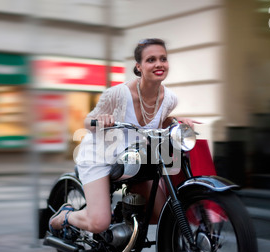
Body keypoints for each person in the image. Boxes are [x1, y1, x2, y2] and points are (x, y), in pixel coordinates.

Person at [49, 38, 196, 236]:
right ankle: (65, 216)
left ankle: (122, 217)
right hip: (101, 155)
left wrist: (176, 121)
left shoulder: (169, 99)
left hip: (135, 157)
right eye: (151, 60)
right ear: (139, 66)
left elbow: (157, 122)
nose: (159, 64)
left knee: (161, 214)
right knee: (99, 222)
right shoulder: (117, 94)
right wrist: (101, 120)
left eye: (163, 59)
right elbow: (87, 122)